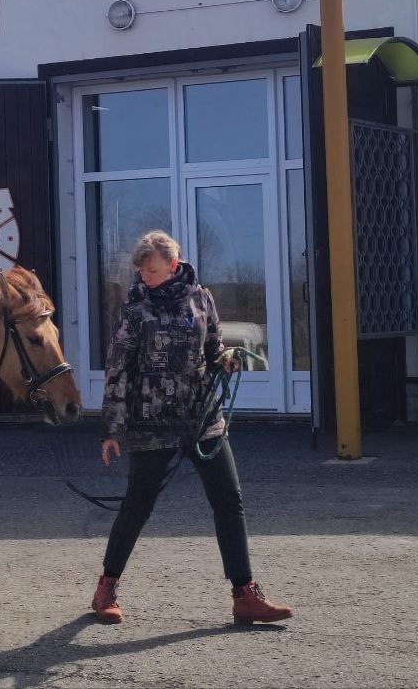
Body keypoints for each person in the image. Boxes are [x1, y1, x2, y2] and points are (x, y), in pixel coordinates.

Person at [91, 230, 292, 626]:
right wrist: (112, 428)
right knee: (138, 505)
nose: (145, 276)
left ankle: (244, 594)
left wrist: (227, 358)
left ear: (174, 263)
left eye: (152, 269)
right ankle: (106, 588)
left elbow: (214, 349)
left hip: (202, 417)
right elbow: (118, 370)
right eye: (141, 271)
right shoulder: (134, 309)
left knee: (228, 500)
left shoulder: (201, 298)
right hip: (152, 422)